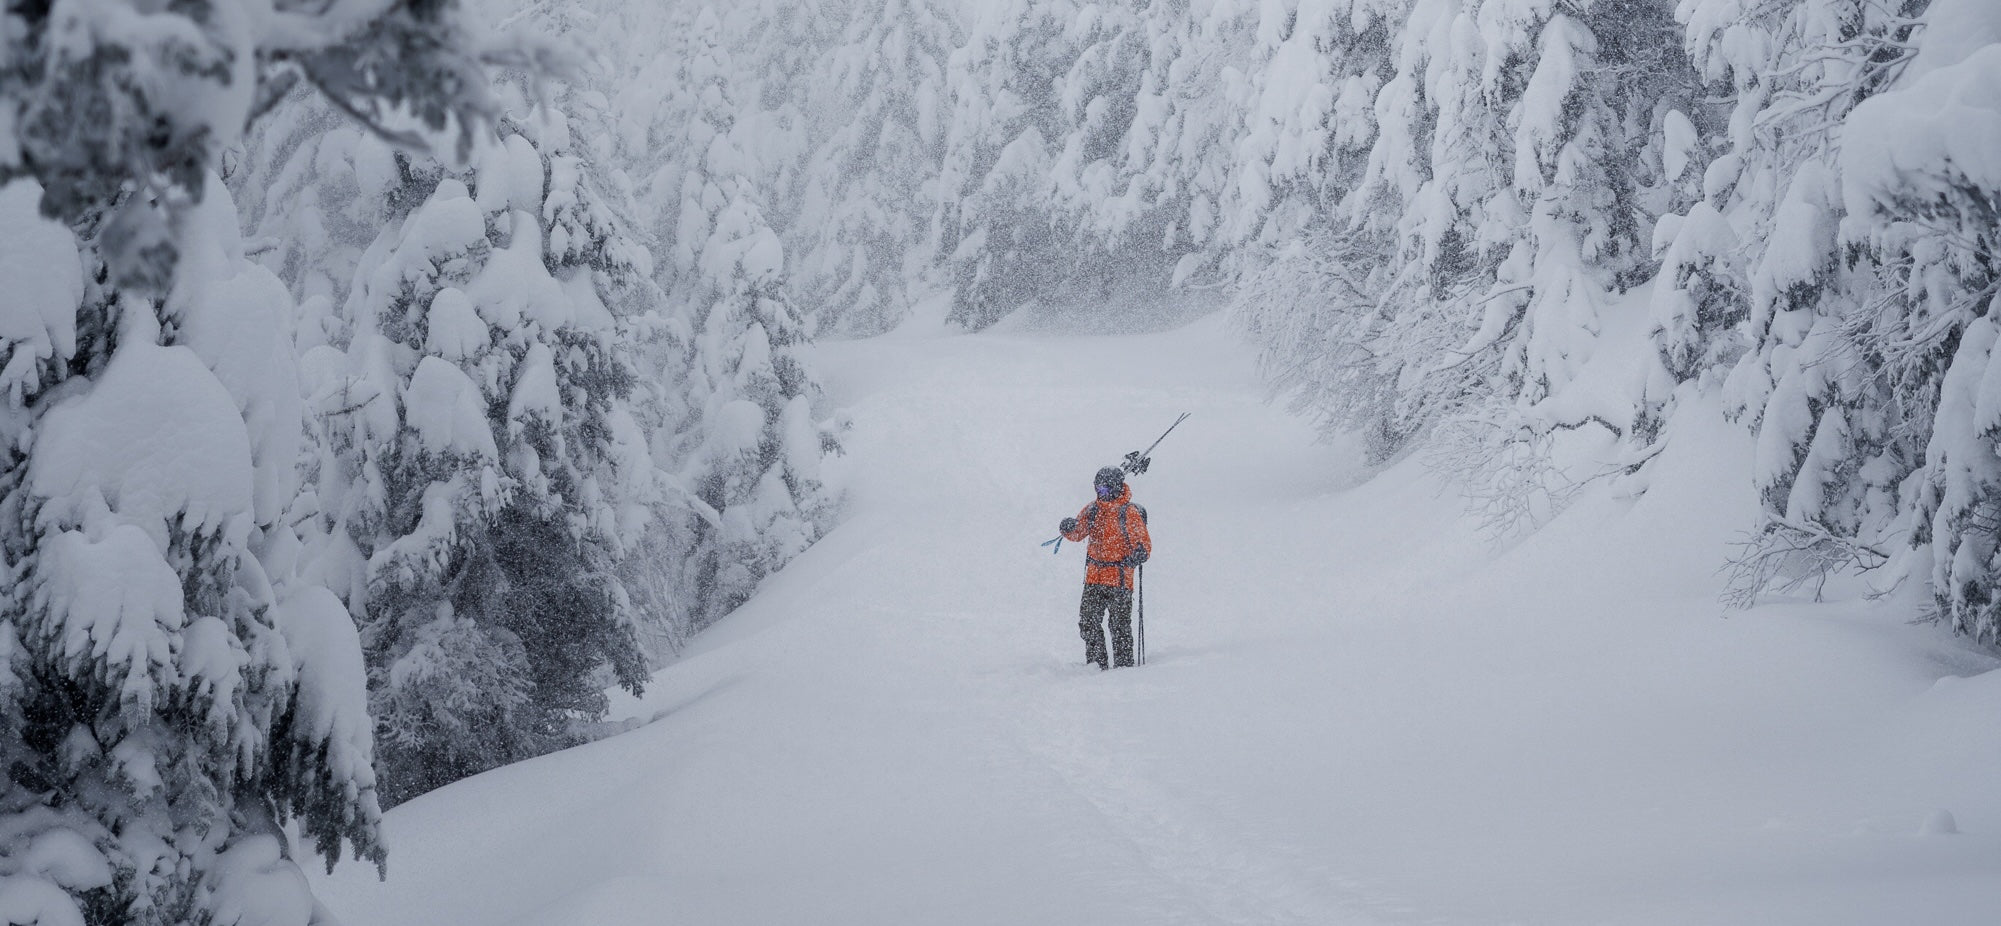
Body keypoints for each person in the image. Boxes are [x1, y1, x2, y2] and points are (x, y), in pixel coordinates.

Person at [1059, 466, 1152, 669]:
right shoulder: (1093, 510)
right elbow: (1078, 532)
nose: (1100, 494)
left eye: (1104, 490)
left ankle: (1123, 667)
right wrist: (1068, 528)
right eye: (1097, 489)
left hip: (1119, 580)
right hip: (1094, 579)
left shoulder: (1129, 512)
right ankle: (1095, 665)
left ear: (1116, 488)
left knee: (1119, 627)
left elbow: (1143, 543)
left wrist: (1139, 553)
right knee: (1088, 623)